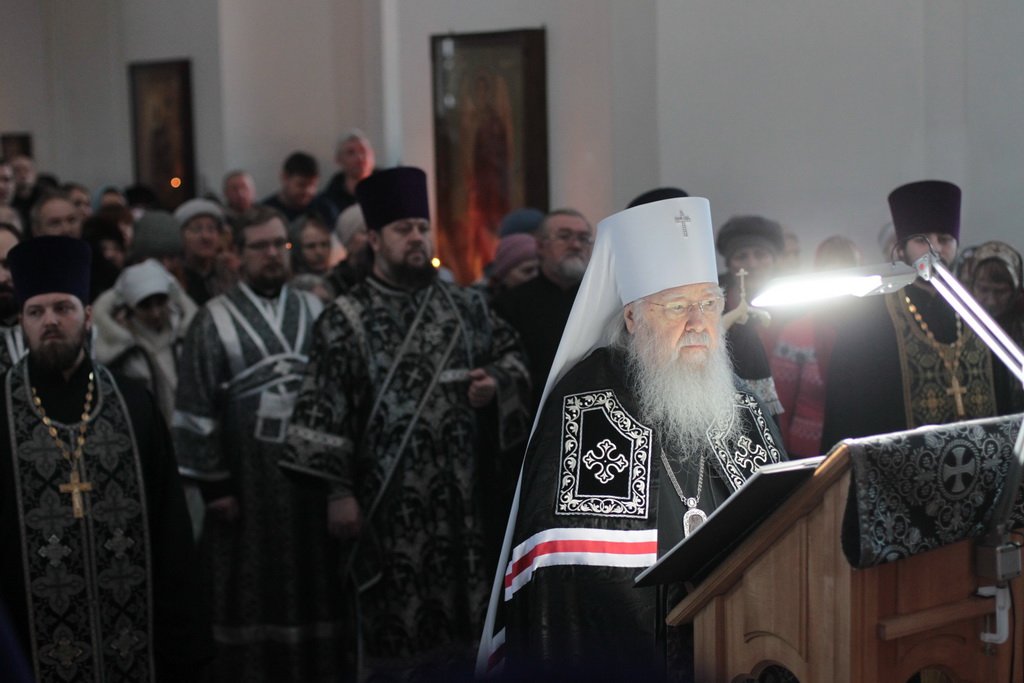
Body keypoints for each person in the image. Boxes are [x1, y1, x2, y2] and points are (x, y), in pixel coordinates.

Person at [478, 197, 786, 680]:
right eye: (677, 307)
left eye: (709, 304)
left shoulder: (742, 403)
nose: (698, 324)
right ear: (632, 318)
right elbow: (569, 578)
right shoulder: (584, 404)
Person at [282, 166, 531, 679]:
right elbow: (323, 408)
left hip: (464, 503)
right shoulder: (345, 317)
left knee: (467, 629)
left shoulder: (467, 305)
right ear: (374, 239)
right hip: (384, 506)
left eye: (422, 227)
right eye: (403, 229)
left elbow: (515, 359)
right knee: (394, 628)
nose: (416, 237)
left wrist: (495, 383)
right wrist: (338, 493)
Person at [0, 236, 210, 681]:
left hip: (134, 642)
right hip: (30, 647)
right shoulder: (1, 410)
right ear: (22, 322)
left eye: (63, 308)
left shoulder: (133, 404)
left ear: (88, 315)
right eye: (36, 312)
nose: (50, 321)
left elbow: (170, 527)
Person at [172, 206, 343, 681]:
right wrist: (215, 486)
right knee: (250, 590)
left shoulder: (316, 309)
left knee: (316, 589)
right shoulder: (213, 318)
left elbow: (338, 394)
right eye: (260, 246)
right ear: (238, 254)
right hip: (245, 492)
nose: (272, 254)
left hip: (311, 489)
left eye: (279, 245)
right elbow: (194, 407)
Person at [822, 180, 1012, 447]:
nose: (936, 249)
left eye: (944, 240)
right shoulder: (866, 322)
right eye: (922, 240)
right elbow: (848, 410)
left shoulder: (977, 315)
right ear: (901, 248)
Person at [770, 235, 862, 456]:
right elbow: (780, 407)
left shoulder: (871, 332)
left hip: (861, 445)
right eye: (832, 271)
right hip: (808, 453)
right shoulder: (797, 333)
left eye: (847, 271)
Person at [494, 208, 594, 410]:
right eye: (564, 236)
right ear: (540, 246)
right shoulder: (509, 304)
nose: (575, 245)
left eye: (583, 238)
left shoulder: (603, 301)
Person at [174, 198, 238, 306]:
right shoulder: (176, 277)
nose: (205, 236)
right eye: (196, 229)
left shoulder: (228, 273)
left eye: (211, 229)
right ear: (181, 236)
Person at [262, 151, 337, 225]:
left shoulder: (325, 209)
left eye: (313, 185)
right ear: (285, 177)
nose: (308, 191)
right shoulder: (266, 213)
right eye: (301, 185)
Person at [322, 129, 375, 214]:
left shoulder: (388, 187)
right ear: (339, 159)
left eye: (363, 151)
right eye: (351, 153)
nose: (359, 157)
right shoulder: (328, 201)